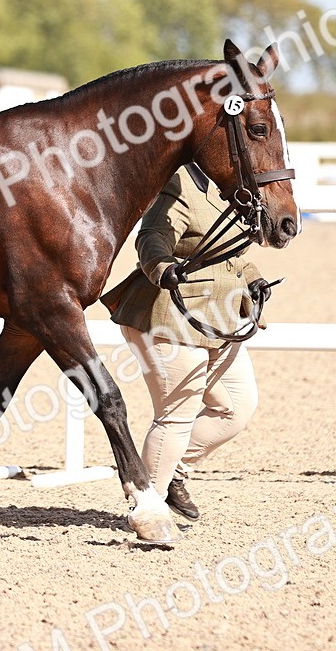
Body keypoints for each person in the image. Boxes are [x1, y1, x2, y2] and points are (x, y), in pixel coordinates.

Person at [101, 162, 275, 522]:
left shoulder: (230, 185)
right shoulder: (178, 185)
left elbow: (233, 253)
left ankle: (175, 473)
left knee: (238, 406)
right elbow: (151, 239)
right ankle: (149, 507)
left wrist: (254, 278)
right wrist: (162, 267)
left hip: (220, 316)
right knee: (175, 416)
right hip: (171, 314)